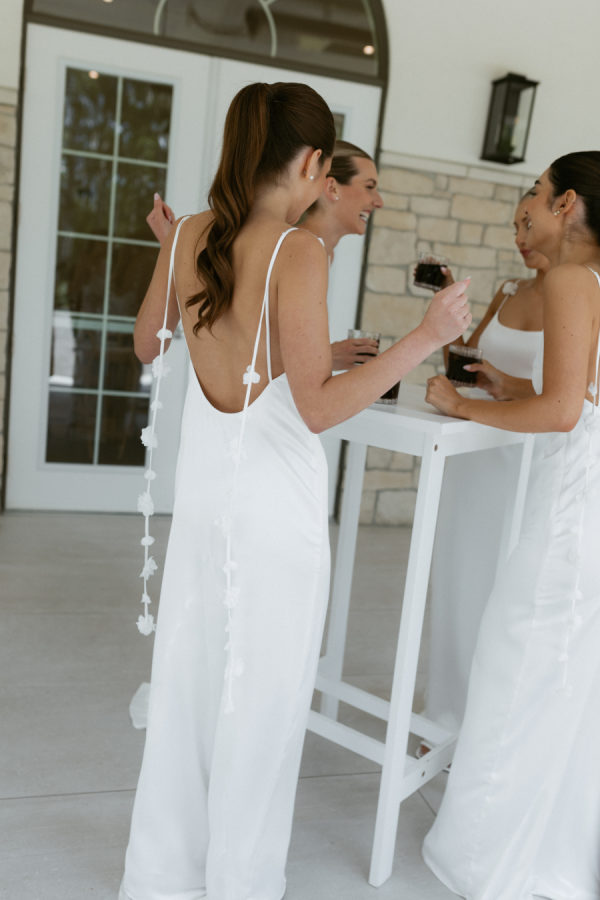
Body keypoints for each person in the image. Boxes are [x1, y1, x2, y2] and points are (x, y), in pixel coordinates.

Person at [119, 81, 470, 900]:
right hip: (274, 515)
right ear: (313, 162)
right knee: (263, 702)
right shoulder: (297, 251)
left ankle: (164, 875)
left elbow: (146, 344)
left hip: (203, 505)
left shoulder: (192, 233)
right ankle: (238, 882)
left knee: (191, 688)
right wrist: (425, 336)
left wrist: (170, 251)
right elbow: (317, 407)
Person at [423, 151, 600, 899]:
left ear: (566, 204)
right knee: (562, 675)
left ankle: (490, 856)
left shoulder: (571, 280)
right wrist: (508, 386)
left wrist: (464, 404)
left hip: (570, 504)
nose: (527, 203)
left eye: (537, 190)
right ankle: (551, 842)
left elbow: (563, 412)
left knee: (517, 658)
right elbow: (583, 393)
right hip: (588, 499)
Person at [422, 199, 550, 738]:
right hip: (476, 459)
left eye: (528, 224)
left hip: (531, 461)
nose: (520, 236)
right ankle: (446, 717)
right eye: (515, 226)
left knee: (509, 594)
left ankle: (491, 731)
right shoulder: (509, 290)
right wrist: (447, 304)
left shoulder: (585, 293)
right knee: (460, 582)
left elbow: (572, 397)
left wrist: (504, 386)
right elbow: (467, 367)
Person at [145, 139, 384, 371]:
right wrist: (326, 358)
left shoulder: (323, 254)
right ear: (331, 187)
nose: (379, 201)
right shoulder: (290, 250)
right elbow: (233, 342)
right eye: (369, 186)